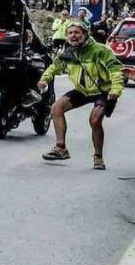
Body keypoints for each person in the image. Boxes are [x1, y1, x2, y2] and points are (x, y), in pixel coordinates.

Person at [39, 19, 123, 170]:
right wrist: (44, 79)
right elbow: (55, 66)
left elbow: (115, 69)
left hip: (102, 91)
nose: (73, 36)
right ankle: (61, 148)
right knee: (56, 108)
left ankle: (98, 156)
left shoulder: (100, 50)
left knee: (95, 120)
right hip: (82, 91)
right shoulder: (68, 52)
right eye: (70, 33)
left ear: (85, 34)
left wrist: (115, 89)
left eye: (77, 32)